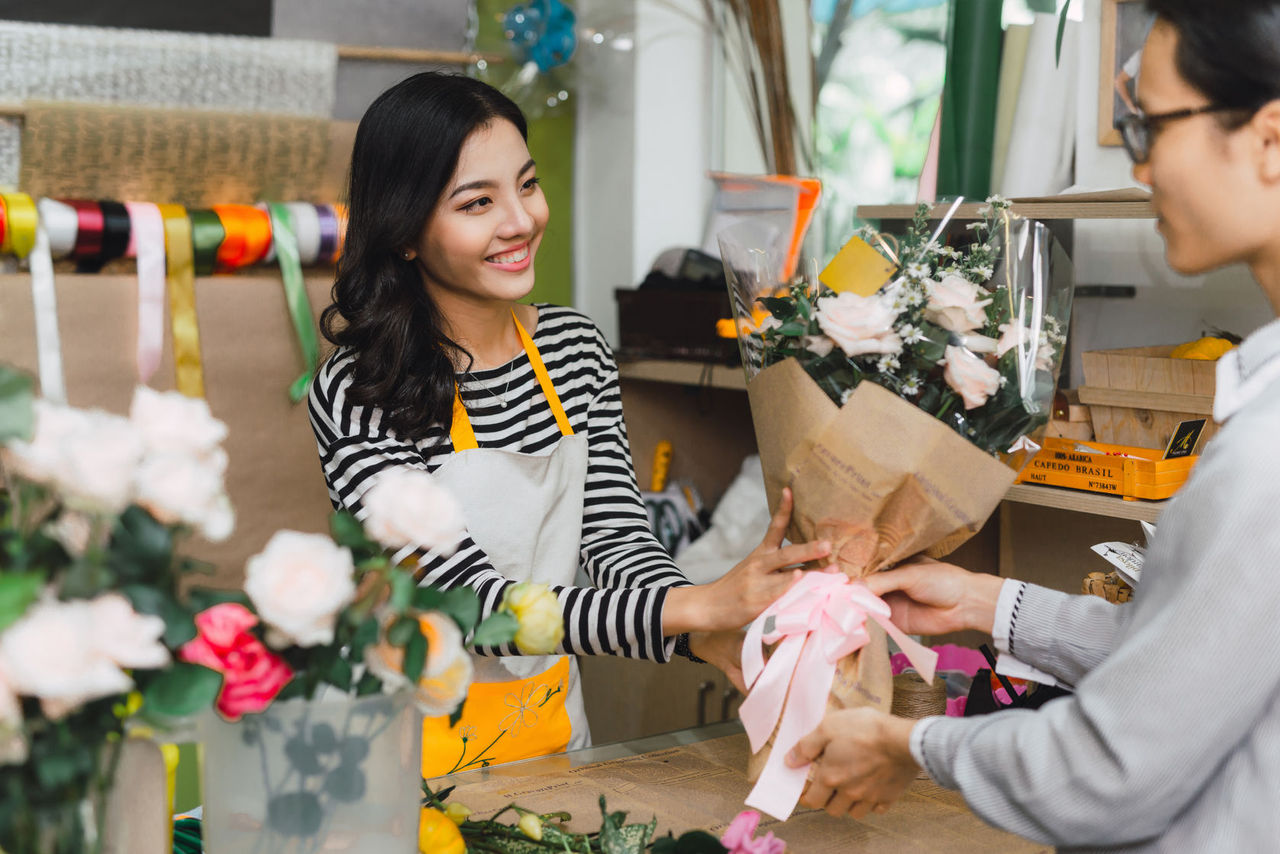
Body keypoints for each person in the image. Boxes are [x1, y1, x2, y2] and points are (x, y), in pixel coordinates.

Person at [786, 2, 1280, 850]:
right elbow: (1195, 661)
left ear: (1270, 138)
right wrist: (993, 604)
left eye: (1151, 128)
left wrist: (911, 744)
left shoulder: (1266, 455)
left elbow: (1113, 769)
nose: (1144, 167)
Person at [308, 72, 832, 776]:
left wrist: (698, 629)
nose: (520, 221)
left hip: (548, 738)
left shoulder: (574, 351)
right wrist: (694, 610)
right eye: (477, 203)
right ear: (404, 231)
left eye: (526, 185)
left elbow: (616, 542)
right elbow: (474, 606)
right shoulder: (358, 390)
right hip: (402, 760)